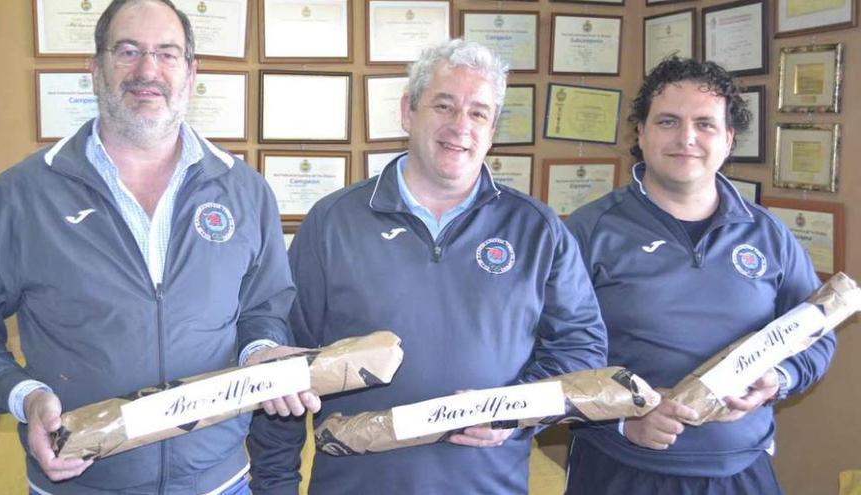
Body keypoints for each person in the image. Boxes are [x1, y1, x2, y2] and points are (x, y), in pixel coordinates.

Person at [0, 1, 319, 493]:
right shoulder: (23, 194)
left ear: (191, 71)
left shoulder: (245, 191)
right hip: (80, 482)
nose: (147, 70)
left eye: (167, 53)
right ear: (95, 68)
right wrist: (24, 396)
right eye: (128, 51)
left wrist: (260, 349)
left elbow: (262, 309)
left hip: (218, 483)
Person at [248, 39, 608, 494]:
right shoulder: (333, 222)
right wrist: (275, 484)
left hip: (489, 485)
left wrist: (516, 409)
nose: (460, 125)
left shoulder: (538, 229)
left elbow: (581, 349)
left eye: (478, 112)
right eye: (444, 105)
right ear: (407, 112)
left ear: (492, 129)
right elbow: (286, 367)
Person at [563, 57, 837, 494]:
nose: (686, 138)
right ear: (642, 132)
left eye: (705, 124)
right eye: (668, 121)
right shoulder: (586, 232)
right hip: (621, 470)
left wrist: (777, 379)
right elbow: (552, 353)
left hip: (742, 472)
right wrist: (620, 420)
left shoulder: (769, 235)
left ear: (728, 140)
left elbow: (816, 334)